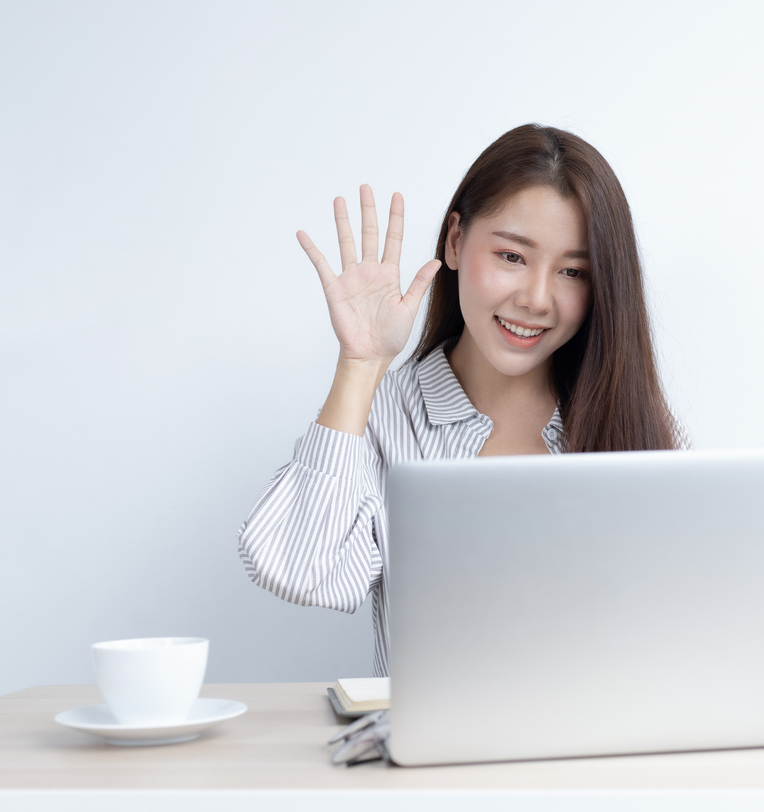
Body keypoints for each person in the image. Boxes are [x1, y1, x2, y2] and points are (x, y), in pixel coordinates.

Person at [237, 124, 686, 676]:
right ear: (455, 241)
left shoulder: (630, 418)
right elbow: (298, 568)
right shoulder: (384, 421)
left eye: (573, 271)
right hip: (440, 758)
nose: (537, 299)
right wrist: (361, 366)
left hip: (598, 750)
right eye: (512, 257)